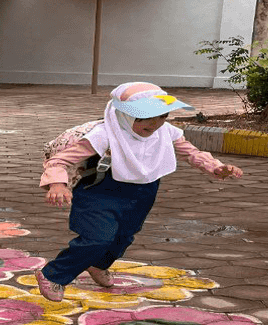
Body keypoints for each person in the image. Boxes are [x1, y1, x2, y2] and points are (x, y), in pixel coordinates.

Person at [35, 81, 242, 301]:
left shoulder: (166, 132)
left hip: (143, 193)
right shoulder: (104, 134)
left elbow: (191, 153)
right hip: (100, 191)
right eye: (144, 117)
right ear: (123, 114)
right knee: (97, 239)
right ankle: (53, 275)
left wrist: (216, 167)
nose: (154, 124)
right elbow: (59, 161)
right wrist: (58, 184)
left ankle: (98, 265)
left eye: (162, 116)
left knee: (124, 237)